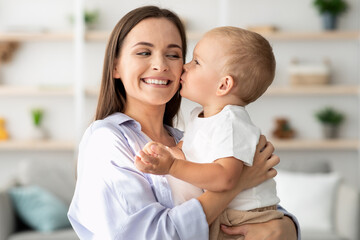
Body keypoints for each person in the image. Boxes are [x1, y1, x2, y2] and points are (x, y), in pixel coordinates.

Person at [68, 5, 299, 240]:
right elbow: (147, 236)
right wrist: (235, 184)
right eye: (144, 53)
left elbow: (259, 208)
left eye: (174, 55)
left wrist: (287, 228)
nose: (161, 65)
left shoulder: (189, 138)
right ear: (116, 66)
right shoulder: (107, 140)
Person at [135, 27, 284, 240]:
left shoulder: (232, 123)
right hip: (228, 213)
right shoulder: (202, 117)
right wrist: (168, 152)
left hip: (245, 218)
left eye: (196, 62)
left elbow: (225, 178)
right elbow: (191, 150)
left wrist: (172, 166)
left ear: (224, 85)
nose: (184, 67)